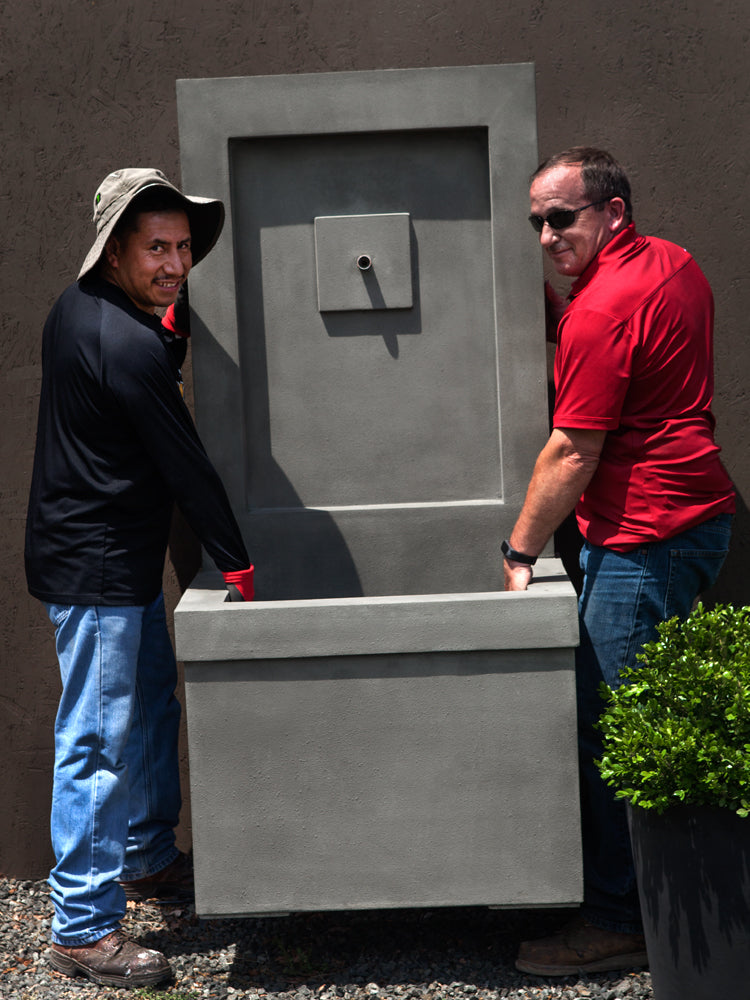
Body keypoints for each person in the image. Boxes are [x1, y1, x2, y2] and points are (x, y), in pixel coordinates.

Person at [503, 148, 735, 976]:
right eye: (535, 221)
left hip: (644, 539)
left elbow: (572, 451)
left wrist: (518, 551)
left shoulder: (604, 310)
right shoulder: (671, 263)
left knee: (620, 734)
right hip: (694, 519)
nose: (545, 234)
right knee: (652, 722)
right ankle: (648, 904)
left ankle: (620, 919)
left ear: (612, 212)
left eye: (561, 218)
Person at [25, 168, 255, 989]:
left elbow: (152, 353)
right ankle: (82, 928)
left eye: (184, 247)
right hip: (95, 571)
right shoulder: (122, 342)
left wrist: (171, 328)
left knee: (149, 707)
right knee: (95, 741)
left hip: (115, 560)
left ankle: (147, 856)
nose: (175, 264)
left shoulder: (88, 311)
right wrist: (239, 561)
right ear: (114, 248)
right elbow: (186, 464)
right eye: (156, 247)